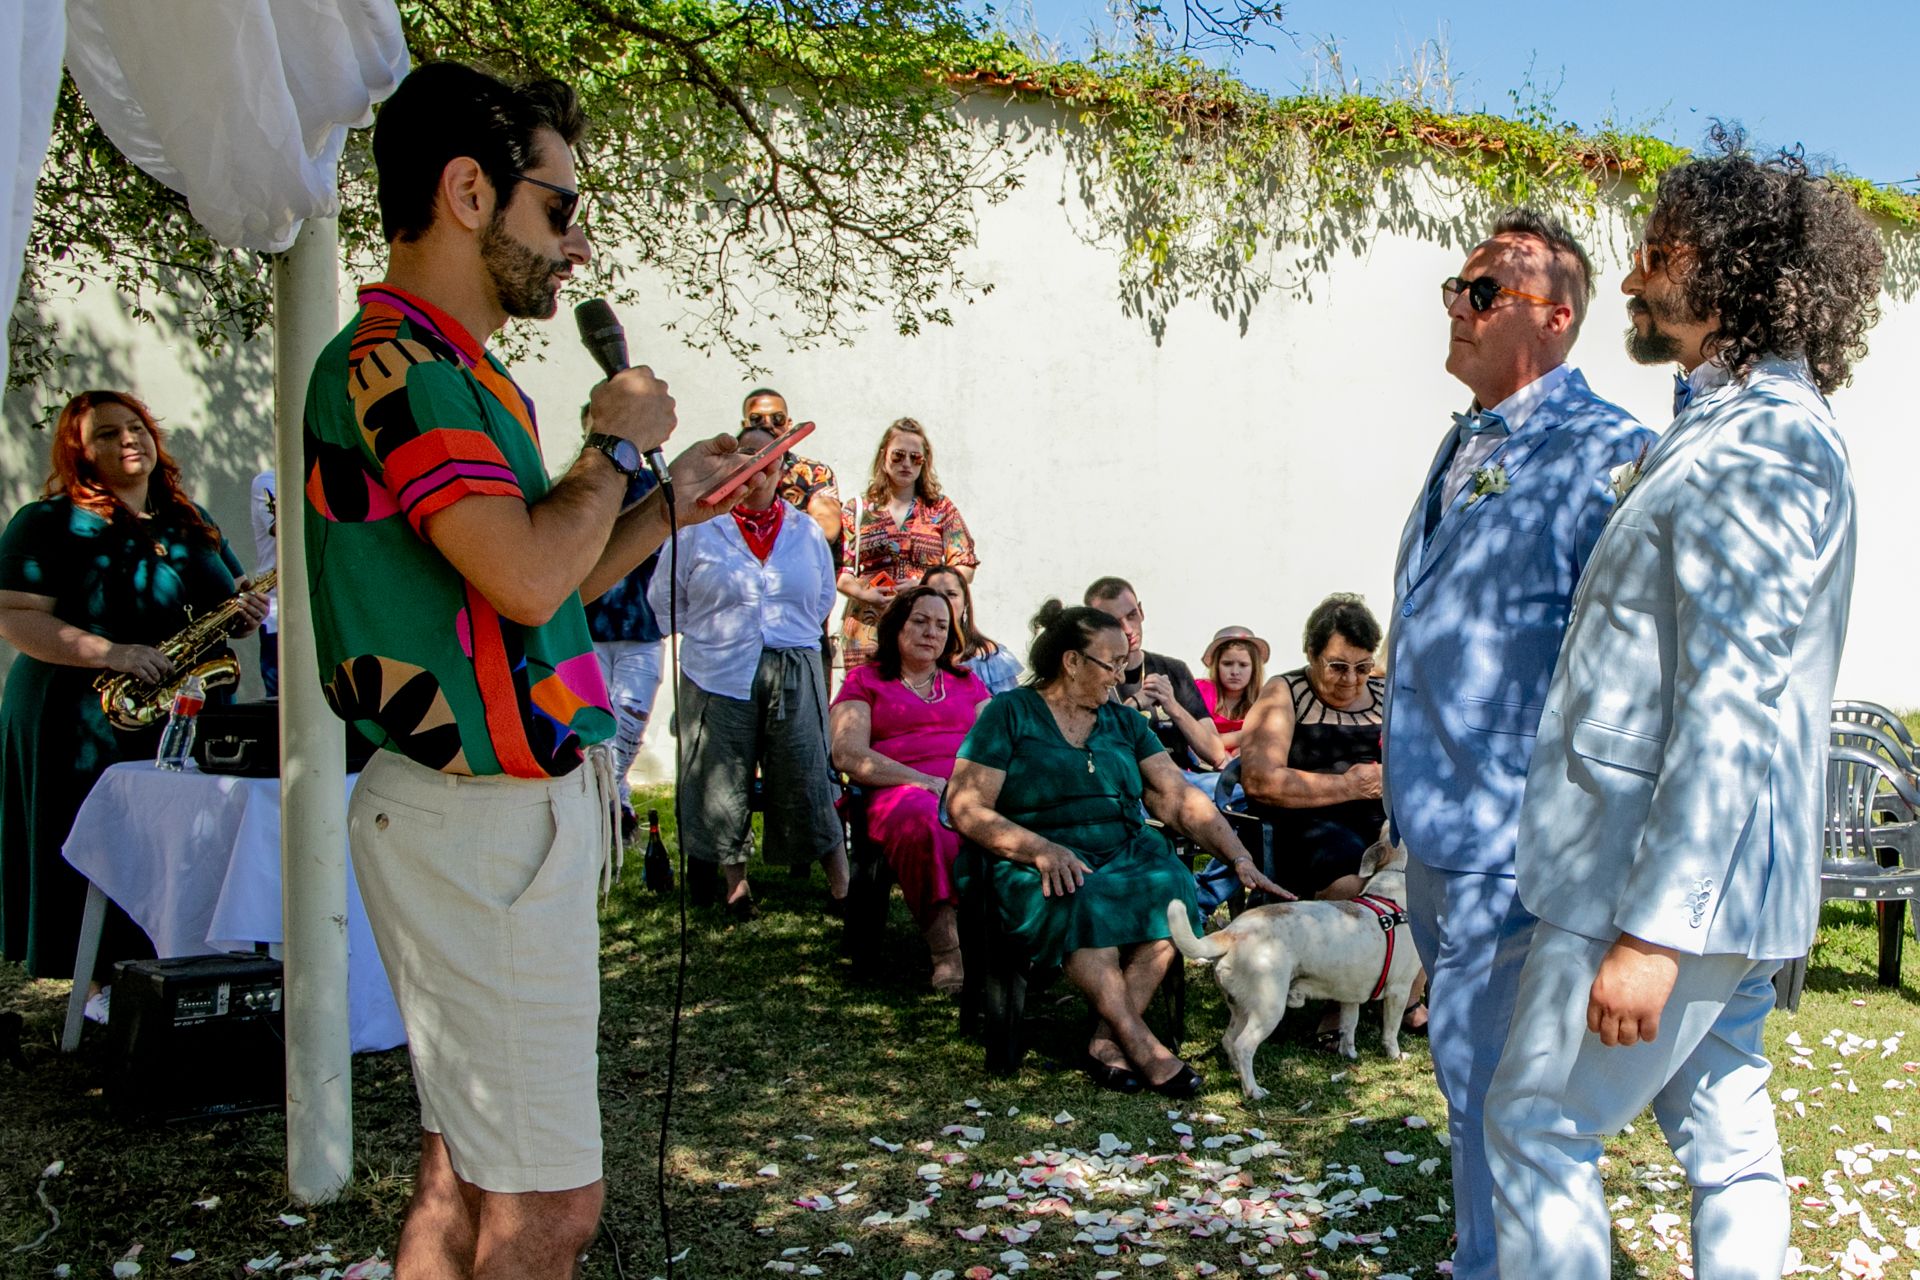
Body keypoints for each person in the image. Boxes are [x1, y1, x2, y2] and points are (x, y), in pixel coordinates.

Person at [301, 63, 739, 1277]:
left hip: (485, 824)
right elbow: (534, 577)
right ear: (467, 193)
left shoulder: (455, 366)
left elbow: (534, 594)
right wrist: (610, 442)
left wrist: (667, 509)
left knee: (466, 1161)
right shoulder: (407, 370)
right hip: (482, 829)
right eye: (559, 208)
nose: (577, 245)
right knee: (551, 1205)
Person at [1483, 146, 1884, 1280]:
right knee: (1728, 1137)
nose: (1628, 281)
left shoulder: (1767, 438)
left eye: (1652, 254)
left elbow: (1735, 699)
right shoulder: (1733, 420)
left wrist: (1654, 930)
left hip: (1665, 882)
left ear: (1718, 265)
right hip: (1728, 889)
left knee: (1537, 1117)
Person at [1380, 209, 1654, 1280]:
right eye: (1457, 284)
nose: (1457, 302)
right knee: (1465, 1064)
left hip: (1517, 823)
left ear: (1556, 313)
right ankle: (1480, 1250)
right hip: (1435, 817)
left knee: (1494, 1072)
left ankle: (1497, 1263)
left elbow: (1630, 653)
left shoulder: (1609, 452)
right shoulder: (1462, 436)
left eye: (1483, 290)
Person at [947, 601, 1285, 1096]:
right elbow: (966, 806)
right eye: (1112, 665)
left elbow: (1177, 797)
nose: (1120, 676)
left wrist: (1237, 856)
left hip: (1123, 848)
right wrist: (1038, 847)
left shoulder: (1124, 723)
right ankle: (1141, 1042)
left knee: (1170, 890)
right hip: (1035, 856)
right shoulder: (1010, 713)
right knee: (1080, 895)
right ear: (1071, 661)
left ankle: (1106, 1041)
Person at [0, 391, 267, 993]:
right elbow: (14, 614)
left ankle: (169, 969)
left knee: (171, 844)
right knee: (96, 843)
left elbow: (222, 598)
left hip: (183, 710)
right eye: (107, 434)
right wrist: (113, 652)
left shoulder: (189, 517)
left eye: (138, 427)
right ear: (79, 452)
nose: (129, 440)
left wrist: (243, 612)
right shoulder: (46, 523)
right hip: (80, 714)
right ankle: (96, 985)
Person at [650, 422, 846, 919]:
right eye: (745, 457)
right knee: (721, 776)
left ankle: (841, 883)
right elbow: (663, 599)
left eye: (768, 459)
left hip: (794, 664)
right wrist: (717, 629)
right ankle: (735, 884)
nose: (755, 468)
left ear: (782, 468)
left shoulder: (805, 531)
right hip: (716, 667)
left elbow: (822, 598)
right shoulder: (698, 527)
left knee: (806, 770)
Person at [830, 586, 990, 992]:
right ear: (896, 626)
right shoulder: (865, 680)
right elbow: (847, 754)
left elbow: (998, 739)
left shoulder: (966, 682)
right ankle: (947, 951)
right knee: (926, 821)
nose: (931, 633)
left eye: (941, 625)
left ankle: (1016, 942)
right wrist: (921, 780)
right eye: (919, 621)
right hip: (896, 789)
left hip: (966, 785)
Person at [1233, 594, 1384, 903]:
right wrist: (1348, 786)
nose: (1352, 679)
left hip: (1383, 821)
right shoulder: (1285, 692)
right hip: (1309, 825)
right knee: (1352, 888)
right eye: (1338, 666)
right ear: (1312, 655)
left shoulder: (1387, 691)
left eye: (1363, 666)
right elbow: (1261, 781)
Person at [838, 418, 977, 669]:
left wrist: (925, 585)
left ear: (925, 462)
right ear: (884, 456)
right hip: (868, 626)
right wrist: (864, 593)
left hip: (925, 625)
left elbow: (965, 566)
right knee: (865, 697)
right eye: (898, 456)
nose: (906, 464)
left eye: (916, 458)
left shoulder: (940, 509)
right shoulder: (858, 509)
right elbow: (840, 572)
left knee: (922, 697)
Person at [1083, 577, 1226, 781]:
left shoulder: (1174, 669)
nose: (1128, 629)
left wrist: (1173, 706)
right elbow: (1097, 746)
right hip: (1127, 783)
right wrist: (1134, 703)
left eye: (1132, 615)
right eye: (1114, 623)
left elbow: (1215, 754)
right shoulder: (1090, 677)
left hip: (1184, 782)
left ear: (1141, 611)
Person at [747, 386, 843, 680]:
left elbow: (828, 528)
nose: (768, 426)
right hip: (748, 598)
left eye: (777, 419)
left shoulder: (813, 473)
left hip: (799, 595)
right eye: (757, 420)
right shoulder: (731, 472)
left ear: (789, 424)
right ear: (744, 425)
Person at [921, 564, 1022, 695]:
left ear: (965, 603)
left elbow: (1007, 712)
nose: (943, 601)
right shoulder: (911, 655)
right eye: (934, 594)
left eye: (951, 594)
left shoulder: (990, 659)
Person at [1196, 625, 1267, 756]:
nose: (1235, 672)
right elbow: (1195, 739)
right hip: (1198, 769)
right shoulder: (1200, 691)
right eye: (1227, 664)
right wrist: (1247, 735)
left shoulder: (1265, 699)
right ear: (1216, 665)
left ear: (1254, 668)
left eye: (1243, 665)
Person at [248, 470, 279, 696]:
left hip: (323, 611)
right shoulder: (269, 481)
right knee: (281, 705)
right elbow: (286, 528)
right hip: (279, 617)